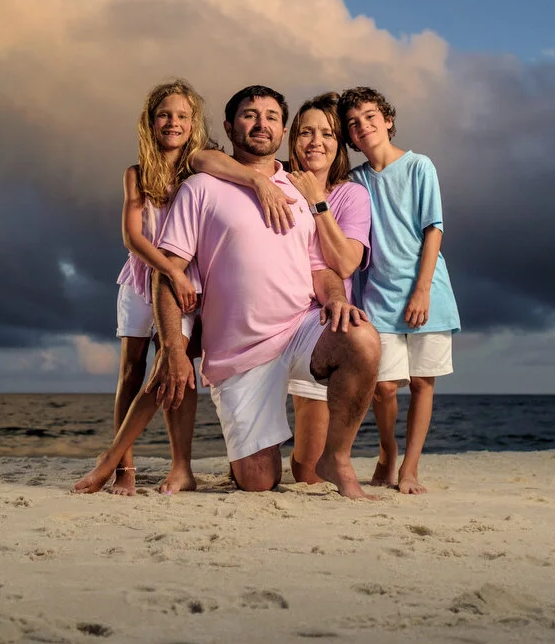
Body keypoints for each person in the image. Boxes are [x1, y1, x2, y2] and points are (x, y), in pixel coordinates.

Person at [95, 79, 296, 495]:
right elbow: (134, 238)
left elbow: (240, 172)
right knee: (131, 372)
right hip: (144, 277)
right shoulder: (137, 173)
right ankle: (122, 468)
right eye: (164, 115)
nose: (173, 122)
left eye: (183, 116)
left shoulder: (201, 164)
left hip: (187, 280)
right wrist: (170, 272)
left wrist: (262, 182)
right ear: (150, 122)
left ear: (195, 123)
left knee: (174, 365)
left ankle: (179, 464)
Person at [339, 86, 460, 495]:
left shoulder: (419, 166)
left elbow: (434, 228)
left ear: (387, 120)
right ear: (349, 136)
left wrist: (422, 290)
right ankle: (387, 451)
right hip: (378, 295)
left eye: (370, 117)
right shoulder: (354, 181)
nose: (363, 126)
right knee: (384, 385)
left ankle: (410, 468)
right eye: (353, 123)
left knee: (423, 383)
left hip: (427, 291)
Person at [284, 92, 372, 485]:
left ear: (339, 145)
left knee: (306, 472)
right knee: (252, 476)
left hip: (317, 325)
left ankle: (332, 460)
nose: (316, 141)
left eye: (327, 133)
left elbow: (346, 262)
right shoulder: (274, 181)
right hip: (268, 321)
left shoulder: (350, 195)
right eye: (306, 132)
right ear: (293, 139)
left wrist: (318, 201)